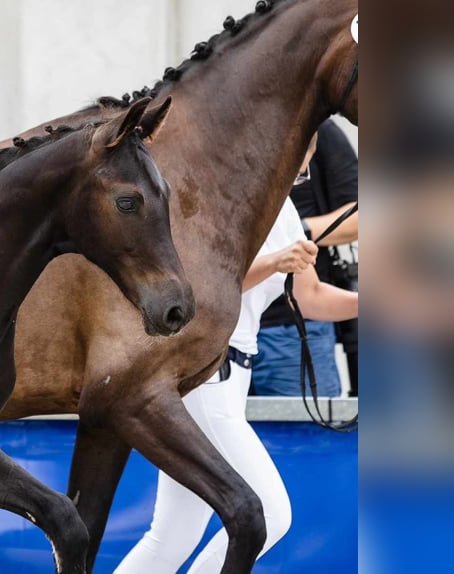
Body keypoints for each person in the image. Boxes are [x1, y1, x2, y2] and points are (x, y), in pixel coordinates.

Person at [114, 138, 358, 574]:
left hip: (228, 378)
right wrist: (273, 262)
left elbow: (312, 297)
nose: (297, 175)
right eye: (298, 165)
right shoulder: (220, 198)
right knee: (267, 513)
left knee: (172, 537)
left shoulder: (283, 212)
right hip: (206, 377)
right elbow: (194, 296)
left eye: (302, 170)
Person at [253, 119, 358, 397]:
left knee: (306, 433)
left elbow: (309, 296)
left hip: (292, 329)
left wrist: (301, 233)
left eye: (299, 174)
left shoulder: (319, 132)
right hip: (220, 344)